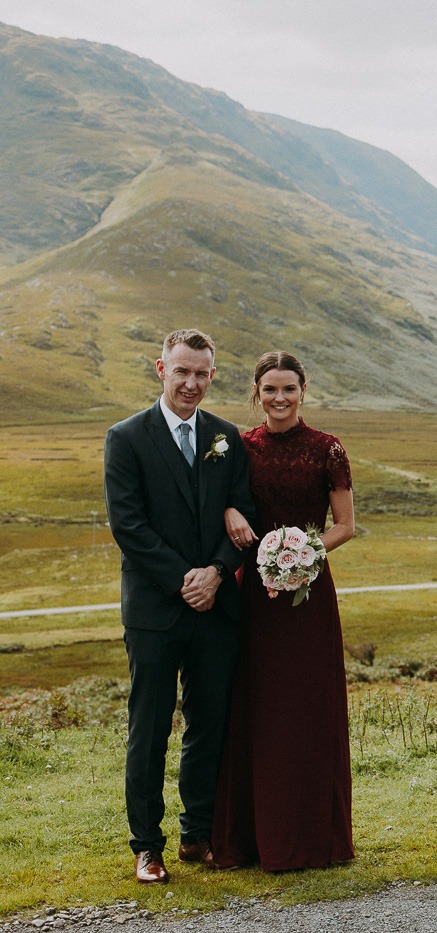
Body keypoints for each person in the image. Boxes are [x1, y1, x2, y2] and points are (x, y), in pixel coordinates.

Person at [103, 328, 256, 884]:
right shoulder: (126, 437)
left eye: (202, 374)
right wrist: (183, 579)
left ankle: (198, 833)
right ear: (160, 369)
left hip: (216, 605)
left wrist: (217, 573)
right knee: (149, 727)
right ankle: (147, 845)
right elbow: (129, 525)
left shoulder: (225, 436)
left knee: (209, 721)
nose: (191, 383)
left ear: (213, 376)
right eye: (182, 371)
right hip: (155, 609)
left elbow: (243, 509)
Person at [211, 351, 356, 869]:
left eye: (288, 389)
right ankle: (252, 837)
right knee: (256, 703)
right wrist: (230, 509)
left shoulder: (327, 448)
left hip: (307, 593)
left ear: (303, 391)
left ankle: (313, 838)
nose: (279, 398)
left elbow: (343, 524)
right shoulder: (236, 447)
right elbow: (220, 499)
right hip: (252, 595)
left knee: (306, 707)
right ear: (256, 393)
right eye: (269, 389)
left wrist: (302, 555)